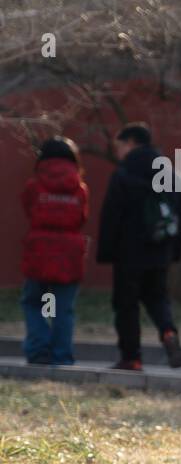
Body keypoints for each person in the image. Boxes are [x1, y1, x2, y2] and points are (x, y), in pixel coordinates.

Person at [96, 123, 181, 370]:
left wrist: (107, 251)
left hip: (129, 252)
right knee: (157, 297)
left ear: (132, 142)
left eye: (120, 146)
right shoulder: (169, 172)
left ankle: (131, 357)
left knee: (127, 304)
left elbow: (112, 215)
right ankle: (168, 332)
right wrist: (174, 250)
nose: (118, 152)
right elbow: (180, 215)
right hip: (161, 250)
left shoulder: (124, 173)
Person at [20, 137, 90, 366]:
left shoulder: (34, 185)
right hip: (69, 252)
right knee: (63, 308)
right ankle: (62, 355)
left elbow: (28, 209)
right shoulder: (79, 188)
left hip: (39, 249)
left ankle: (39, 350)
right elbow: (82, 218)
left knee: (34, 302)